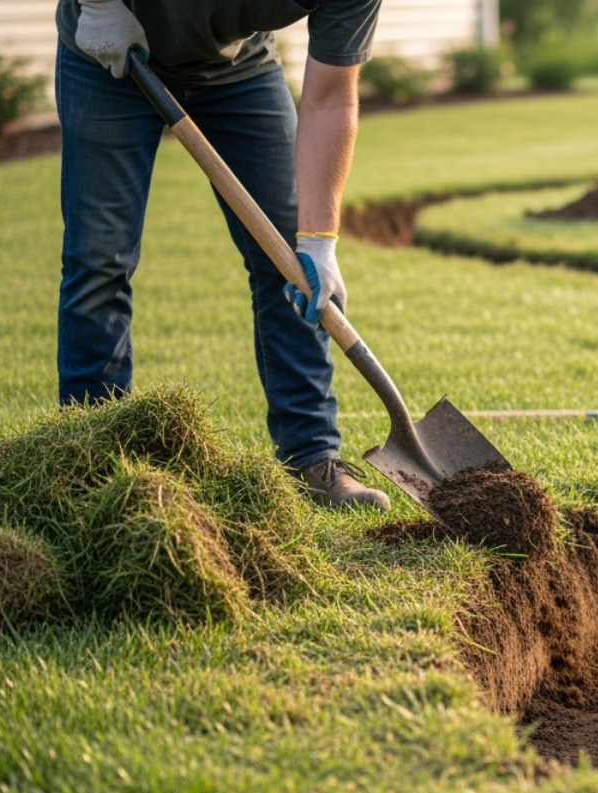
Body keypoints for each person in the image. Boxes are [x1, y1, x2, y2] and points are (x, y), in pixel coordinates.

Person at [55, 0, 390, 509]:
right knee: (99, 259)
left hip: (239, 69)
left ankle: (311, 457)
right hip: (107, 57)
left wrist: (319, 240)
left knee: (288, 262)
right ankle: (89, 465)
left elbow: (330, 99)